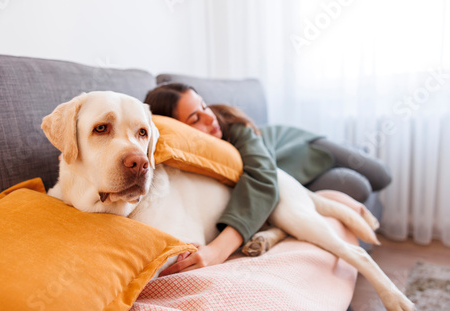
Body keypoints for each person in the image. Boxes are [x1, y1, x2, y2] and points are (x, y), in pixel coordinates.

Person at [145, 83, 391, 276]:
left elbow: (261, 179)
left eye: (204, 106)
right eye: (194, 119)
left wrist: (219, 250)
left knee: (380, 175)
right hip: (291, 177)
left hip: (297, 147)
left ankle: (354, 149)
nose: (210, 118)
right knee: (357, 186)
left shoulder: (232, 125)